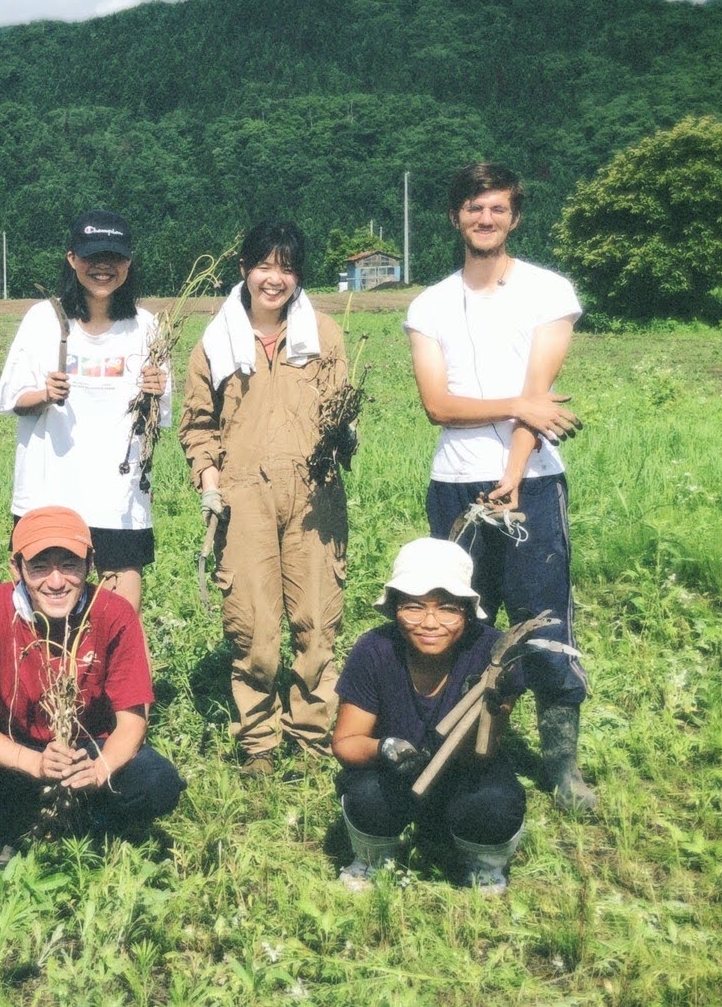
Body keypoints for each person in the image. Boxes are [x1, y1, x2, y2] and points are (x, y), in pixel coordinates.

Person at [403, 163, 596, 812]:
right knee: (455, 622)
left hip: (532, 484)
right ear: (456, 216)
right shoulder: (428, 304)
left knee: (543, 623)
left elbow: (540, 399)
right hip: (455, 484)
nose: (485, 219)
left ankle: (563, 765)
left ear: (514, 217)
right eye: (473, 208)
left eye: (497, 209)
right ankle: (463, 749)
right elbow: (437, 404)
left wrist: (513, 472)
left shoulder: (548, 292)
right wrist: (519, 405)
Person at [0, 506, 185, 868]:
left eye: (70, 564)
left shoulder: (114, 612)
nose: (57, 581)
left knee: (158, 782)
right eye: (40, 567)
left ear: (90, 564)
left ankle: (99, 825)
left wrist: (98, 771)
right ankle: (2, 827)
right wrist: (33, 763)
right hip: (14, 753)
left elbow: (133, 723)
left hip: (87, 751)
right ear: (17, 568)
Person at [178, 219, 348, 775]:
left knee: (316, 620)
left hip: (314, 493)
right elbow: (198, 424)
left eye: (287, 267)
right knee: (253, 626)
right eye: (265, 265)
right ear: (245, 270)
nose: (274, 278)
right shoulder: (215, 341)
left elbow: (339, 408)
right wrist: (208, 480)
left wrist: (344, 435)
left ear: (298, 276)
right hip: (242, 495)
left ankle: (311, 738)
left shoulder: (323, 334)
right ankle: (259, 744)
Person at [0, 209, 170, 610]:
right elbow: (9, 399)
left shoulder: (146, 327)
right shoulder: (44, 319)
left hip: (118, 500)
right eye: (92, 257)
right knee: (41, 618)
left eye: (114, 257)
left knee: (118, 620)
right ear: (72, 259)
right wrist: (43, 394)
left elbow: (160, 419)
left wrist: (156, 393)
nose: (103, 267)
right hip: (48, 495)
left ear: (129, 262)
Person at [332, 538, 528, 893]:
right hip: (398, 777)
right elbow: (346, 743)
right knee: (366, 794)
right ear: (394, 609)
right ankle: (374, 858)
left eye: (448, 609)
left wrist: (491, 711)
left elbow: (482, 753)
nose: (430, 623)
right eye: (414, 607)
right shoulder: (374, 650)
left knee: (497, 802)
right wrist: (384, 748)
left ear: (467, 613)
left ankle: (483, 864)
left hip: (466, 772)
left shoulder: (493, 653)